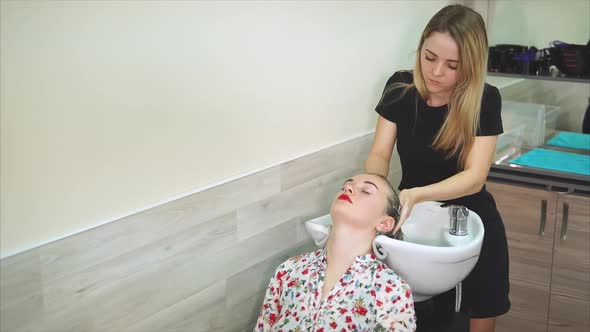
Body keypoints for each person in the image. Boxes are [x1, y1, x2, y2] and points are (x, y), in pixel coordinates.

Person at [365, 4, 510, 332]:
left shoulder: (485, 100)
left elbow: (474, 178)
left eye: (452, 65)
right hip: (411, 222)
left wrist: (416, 194)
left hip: (470, 226)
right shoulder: (400, 88)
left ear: (470, 67)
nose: (436, 72)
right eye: (429, 57)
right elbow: (379, 153)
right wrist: (373, 185)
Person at [254, 173, 416, 332]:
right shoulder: (289, 269)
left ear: (385, 223)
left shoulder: (392, 289)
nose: (348, 188)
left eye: (366, 191)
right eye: (345, 185)